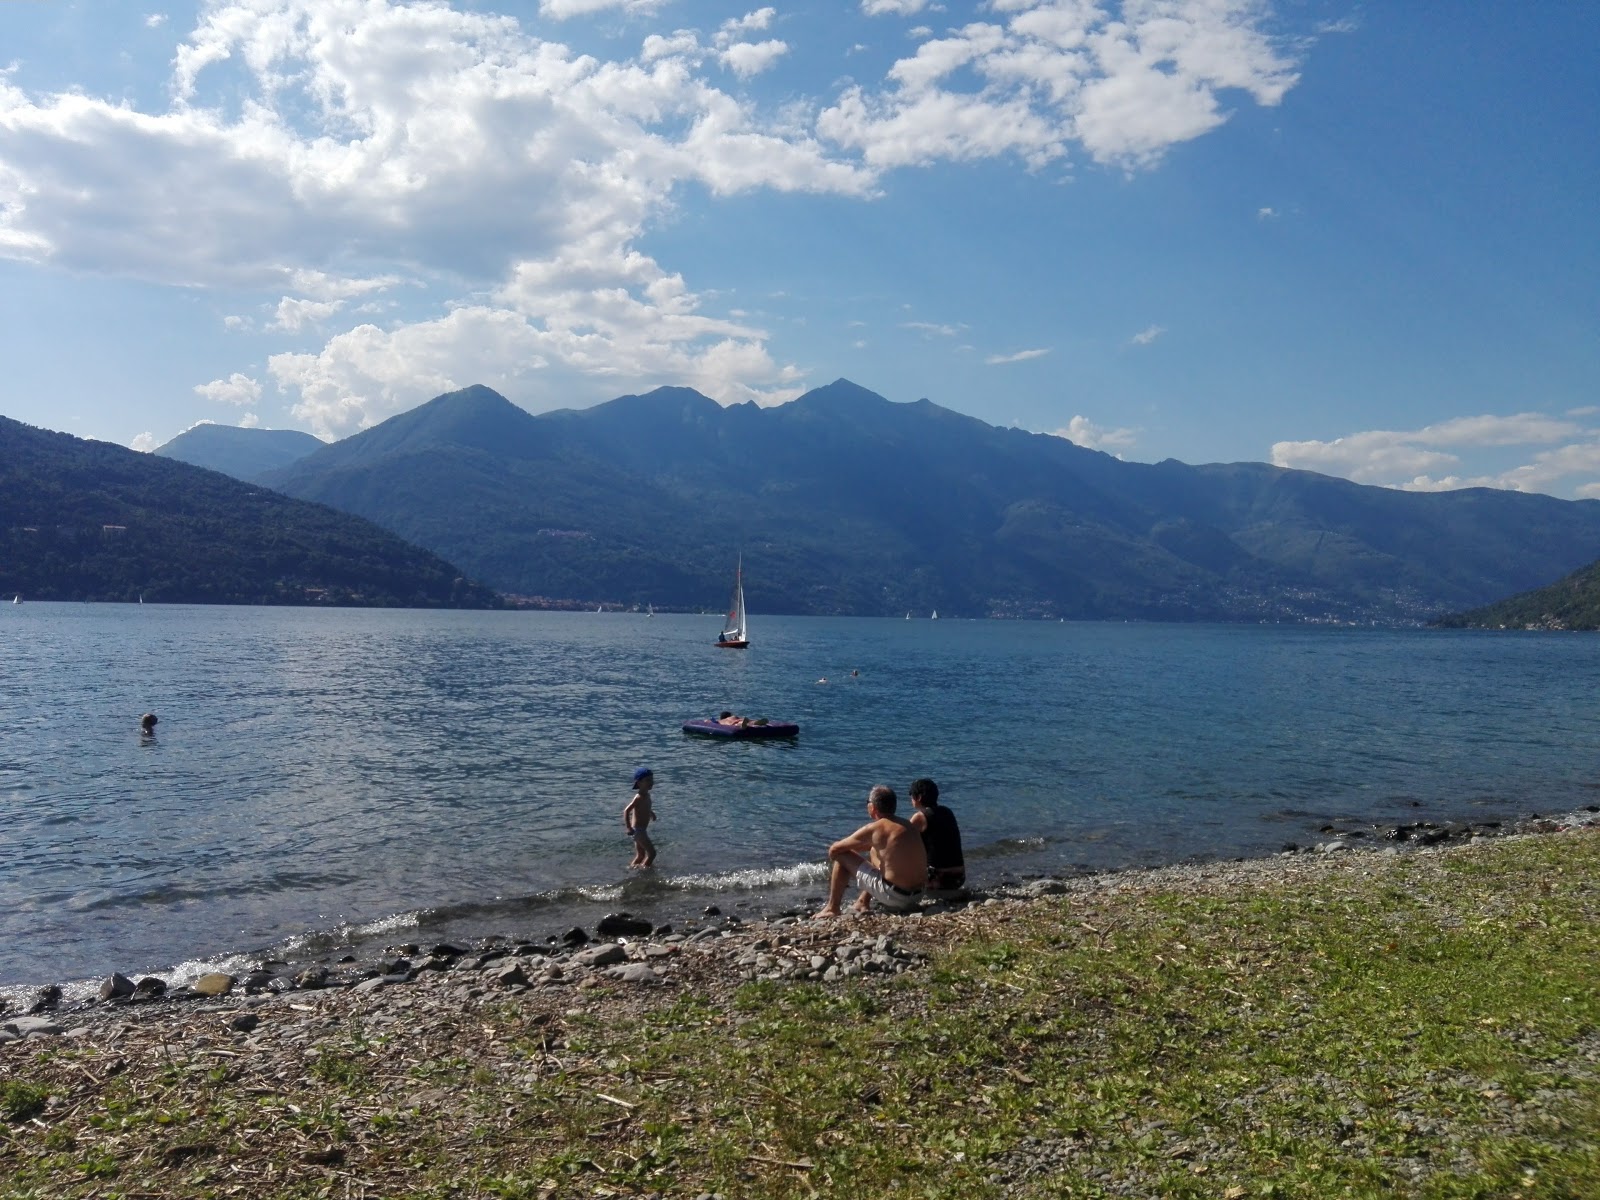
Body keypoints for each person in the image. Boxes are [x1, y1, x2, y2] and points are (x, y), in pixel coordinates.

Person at [814, 785, 927, 918]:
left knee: (842, 855)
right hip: (918, 895)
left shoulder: (876, 828)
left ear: (872, 807)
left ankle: (832, 907)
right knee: (874, 851)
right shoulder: (907, 825)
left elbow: (835, 849)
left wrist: (844, 867)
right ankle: (862, 901)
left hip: (896, 897)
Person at [908, 777, 965, 895]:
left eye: (911, 794)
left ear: (918, 797)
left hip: (937, 879)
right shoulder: (947, 812)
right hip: (959, 877)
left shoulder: (920, 817)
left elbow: (901, 840)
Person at [622, 767, 657, 868]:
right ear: (639, 783)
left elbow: (644, 807)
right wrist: (628, 827)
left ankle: (631, 870)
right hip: (638, 831)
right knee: (652, 853)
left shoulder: (647, 795)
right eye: (648, 780)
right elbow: (627, 811)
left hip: (641, 831)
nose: (651, 782)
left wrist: (651, 813)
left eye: (652, 780)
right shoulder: (638, 797)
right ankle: (645, 872)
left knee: (641, 855)